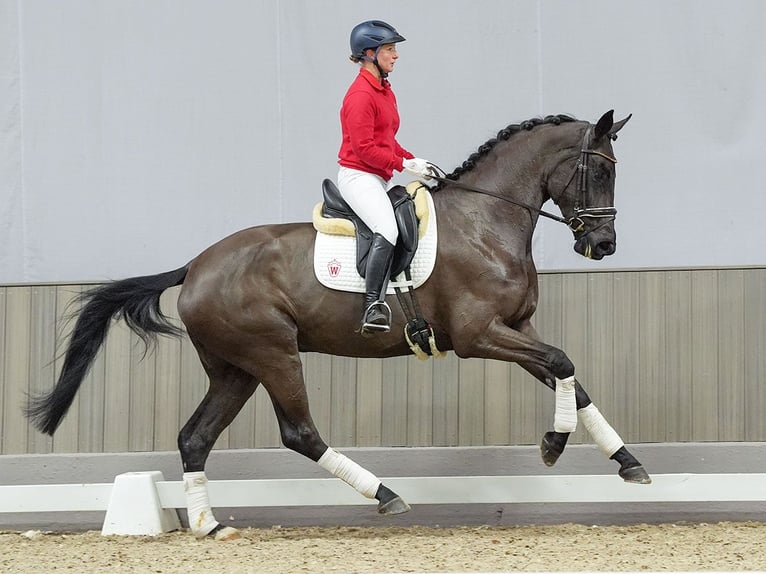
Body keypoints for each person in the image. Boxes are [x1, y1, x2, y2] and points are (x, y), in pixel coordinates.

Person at [337, 20, 434, 334]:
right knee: (387, 229)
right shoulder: (360, 96)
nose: (396, 55)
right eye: (390, 49)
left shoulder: (384, 89)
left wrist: (412, 159)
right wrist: (403, 166)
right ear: (369, 53)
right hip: (358, 177)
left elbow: (386, 139)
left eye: (394, 49)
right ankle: (372, 305)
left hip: (379, 177)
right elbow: (364, 150)